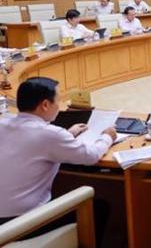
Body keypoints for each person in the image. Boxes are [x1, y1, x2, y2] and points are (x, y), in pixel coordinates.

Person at [0, 77, 116, 222]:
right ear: (45, 105)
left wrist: (68, 134)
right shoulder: (49, 134)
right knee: (98, 209)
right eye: (58, 100)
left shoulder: (3, 123)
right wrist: (107, 137)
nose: (59, 105)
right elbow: (91, 156)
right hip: (21, 223)